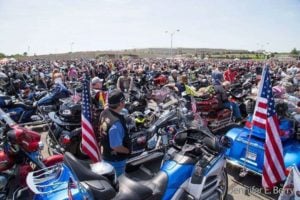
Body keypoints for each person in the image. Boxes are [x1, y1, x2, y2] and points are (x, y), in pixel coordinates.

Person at [98, 90, 131, 176]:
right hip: (115, 161)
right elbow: (116, 146)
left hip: (105, 154)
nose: (124, 103)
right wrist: (128, 151)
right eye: (123, 101)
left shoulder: (104, 112)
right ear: (121, 104)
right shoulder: (116, 124)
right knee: (118, 183)